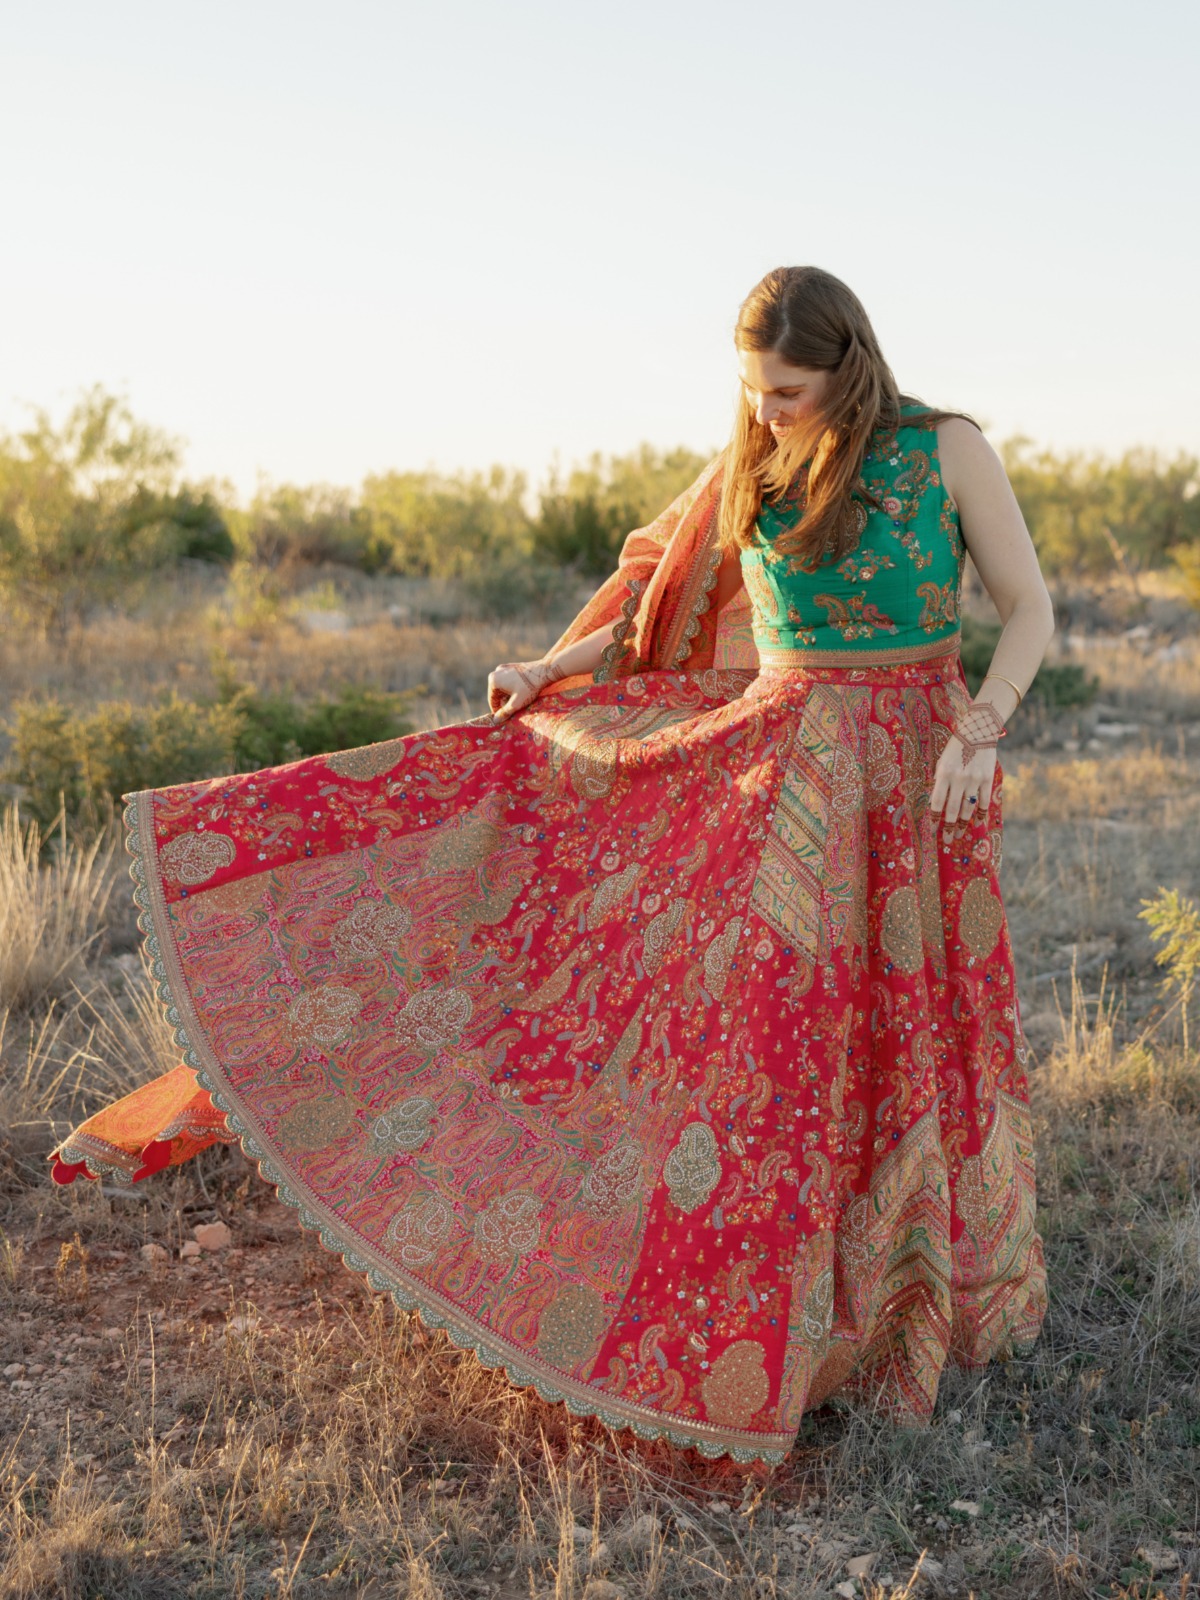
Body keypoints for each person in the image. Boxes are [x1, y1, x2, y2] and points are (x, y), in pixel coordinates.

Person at [51, 265, 1051, 1466]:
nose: (765, 412)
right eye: (751, 392)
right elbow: (648, 609)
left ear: (849, 364)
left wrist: (981, 731)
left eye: (786, 390)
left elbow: (1029, 609)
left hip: (921, 768)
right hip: (786, 775)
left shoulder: (945, 450)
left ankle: (912, 1299)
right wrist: (548, 670)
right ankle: (793, 1316)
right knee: (783, 1043)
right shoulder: (753, 460)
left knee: (915, 1027)